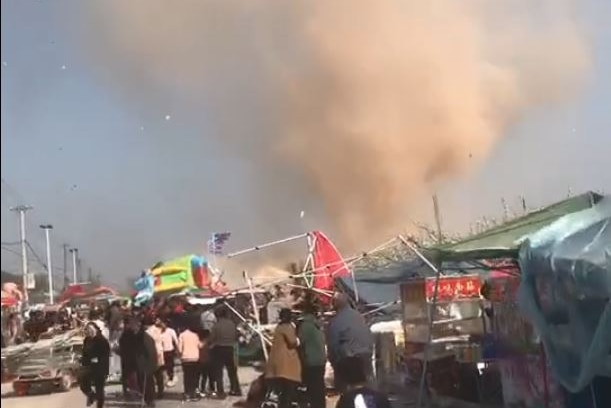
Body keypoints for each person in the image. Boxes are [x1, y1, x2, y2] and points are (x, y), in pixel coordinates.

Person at [327, 293, 374, 391]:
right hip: (366, 355)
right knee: (367, 387)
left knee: (348, 391)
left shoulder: (337, 321)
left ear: (335, 305)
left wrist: (334, 362)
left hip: (349, 359)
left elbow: (333, 346)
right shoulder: (359, 316)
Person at [265, 308, 302, 408]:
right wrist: (299, 340)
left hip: (277, 364)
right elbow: (293, 341)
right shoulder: (287, 327)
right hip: (286, 364)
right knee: (287, 391)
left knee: (281, 390)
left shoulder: (279, 327)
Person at [298, 302, 327, 408]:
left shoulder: (305, 325)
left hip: (310, 361)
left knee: (312, 387)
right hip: (321, 359)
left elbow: (301, 342)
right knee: (319, 386)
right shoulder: (318, 325)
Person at [210, 306, 241, 397]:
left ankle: (220, 391)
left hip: (219, 349)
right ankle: (236, 389)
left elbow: (212, 338)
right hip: (230, 349)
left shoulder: (216, 325)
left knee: (219, 372)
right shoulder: (232, 324)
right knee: (232, 371)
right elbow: (236, 336)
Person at [79, 322, 111, 408]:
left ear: (96, 329)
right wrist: (82, 360)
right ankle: (91, 395)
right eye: (87, 330)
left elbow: (106, 354)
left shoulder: (101, 340)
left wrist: (97, 360)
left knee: (99, 389)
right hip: (90, 367)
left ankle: (99, 406)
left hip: (101, 368)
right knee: (83, 382)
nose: (89, 331)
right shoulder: (87, 340)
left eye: (91, 329)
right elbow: (84, 354)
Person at [134, 318, 158, 407]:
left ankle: (150, 401)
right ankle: (147, 401)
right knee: (142, 384)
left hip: (146, 366)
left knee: (147, 384)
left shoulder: (145, 338)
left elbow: (151, 353)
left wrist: (149, 366)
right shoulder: (138, 337)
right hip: (141, 365)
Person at [178, 321, 202, 401]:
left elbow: (179, 349)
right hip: (195, 358)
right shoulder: (195, 335)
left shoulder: (182, 335)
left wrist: (180, 356)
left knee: (187, 377)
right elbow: (200, 346)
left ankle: (187, 394)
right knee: (194, 377)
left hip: (185, 359)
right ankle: (193, 394)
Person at [145, 316, 165, 398]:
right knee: (159, 375)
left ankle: (152, 393)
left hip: (151, 354)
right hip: (160, 353)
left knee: (151, 375)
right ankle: (161, 392)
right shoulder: (159, 330)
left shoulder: (147, 333)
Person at [118, 317, 139, 397]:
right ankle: (131, 389)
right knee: (131, 374)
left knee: (127, 374)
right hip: (130, 356)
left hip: (126, 357)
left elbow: (122, 344)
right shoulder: (132, 333)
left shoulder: (126, 334)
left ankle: (127, 389)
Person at [160, 319, 178, 387]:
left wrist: (177, 349)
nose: (162, 325)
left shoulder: (171, 331)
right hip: (161, 351)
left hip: (169, 350)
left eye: (163, 324)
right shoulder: (158, 332)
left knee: (170, 366)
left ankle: (171, 378)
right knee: (162, 366)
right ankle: (163, 379)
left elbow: (175, 340)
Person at [197, 329, 213, 397]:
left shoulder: (199, 342)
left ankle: (201, 389)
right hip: (208, 361)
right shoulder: (209, 343)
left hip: (200, 361)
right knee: (210, 376)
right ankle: (211, 389)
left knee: (202, 376)